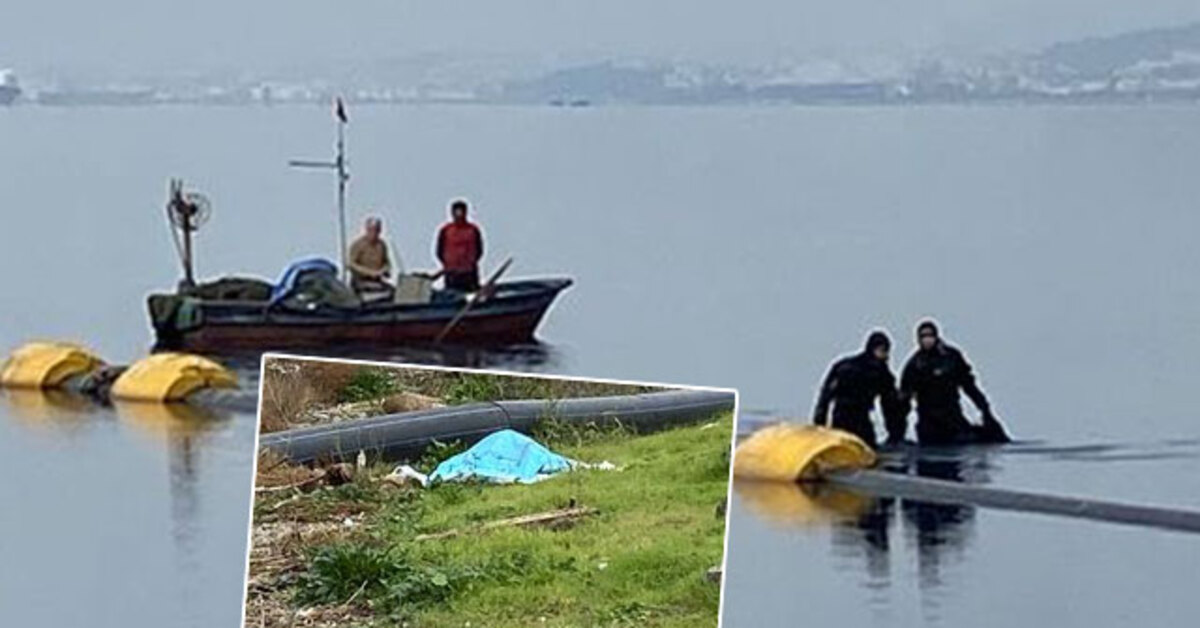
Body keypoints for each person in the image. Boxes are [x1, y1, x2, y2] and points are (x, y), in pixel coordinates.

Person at [898, 320, 1011, 445]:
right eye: (923, 337)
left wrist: (984, 409)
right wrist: (897, 432)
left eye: (930, 336)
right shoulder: (914, 365)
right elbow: (904, 401)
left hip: (953, 418)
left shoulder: (951, 358)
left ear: (936, 336)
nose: (927, 340)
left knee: (985, 436)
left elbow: (969, 386)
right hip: (929, 424)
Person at [812, 331, 907, 448]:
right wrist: (819, 425)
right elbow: (826, 396)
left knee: (865, 445)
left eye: (885, 351)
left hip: (860, 417)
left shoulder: (882, 374)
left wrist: (895, 435)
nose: (885, 355)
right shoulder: (846, 368)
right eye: (881, 350)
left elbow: (890, 406)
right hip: (844, 416)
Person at [435, 199, 484, 292]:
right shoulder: (446, 230)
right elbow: (439, 250)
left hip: (469, 272)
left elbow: (479, 250)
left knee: (471, 294)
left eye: (461, 211)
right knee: (451, 294)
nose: (459, 214)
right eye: (456, 211)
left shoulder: (473, 230)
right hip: (451, 273)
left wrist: (470, 262)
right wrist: (449, 264)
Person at [347, 216, 394, 296]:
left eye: (377, 230)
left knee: (393, 292)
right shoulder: (358, 245)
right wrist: (370, 273)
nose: (374, 233)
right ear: (367, 229)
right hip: (361, 282)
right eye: (372, 230)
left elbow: (386, 262)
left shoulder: (381, 245)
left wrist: (385, 270)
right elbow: (351, 264)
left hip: (377, 281)